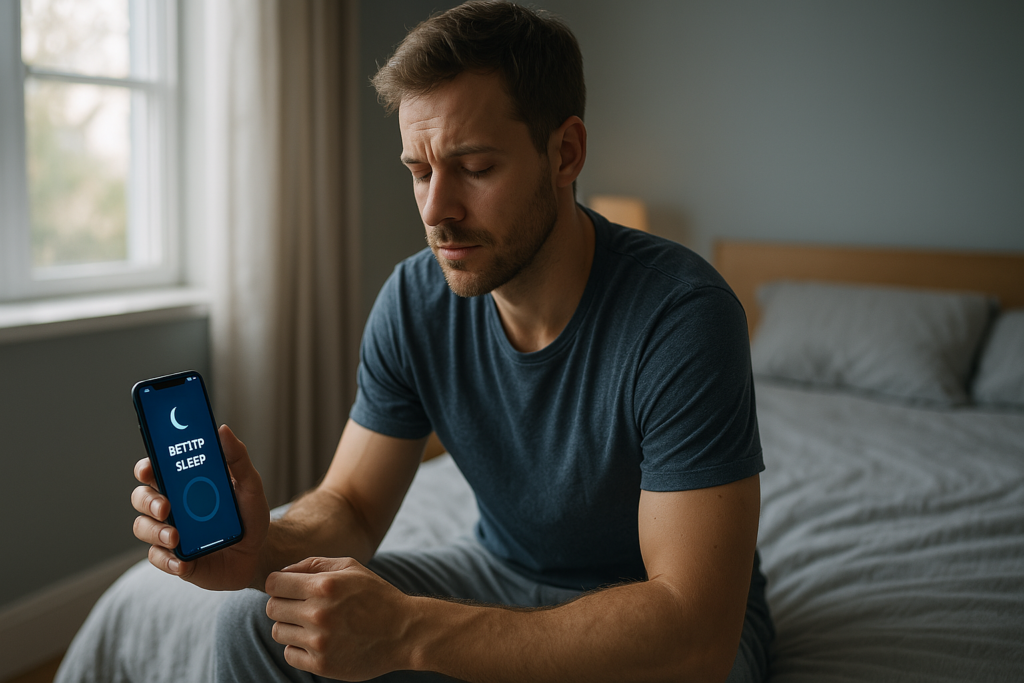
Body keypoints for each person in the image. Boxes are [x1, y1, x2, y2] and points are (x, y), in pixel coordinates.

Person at [130, 2, 773, 681]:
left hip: (658, 617)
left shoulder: (682, 316)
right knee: (259, 623)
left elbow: (694, 633)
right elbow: (351, 505)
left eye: (474, 166)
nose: (437, 209)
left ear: (566, 152)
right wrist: (264, 543)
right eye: (419, 170)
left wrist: (411, 630)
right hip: (496, 575)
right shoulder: (414, 302)